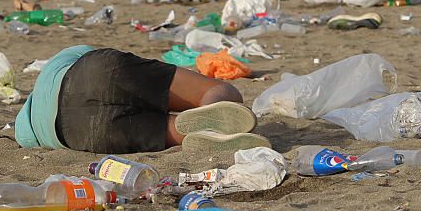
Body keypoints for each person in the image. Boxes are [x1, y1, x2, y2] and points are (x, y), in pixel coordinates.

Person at [15, 46, 269, 155]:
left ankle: (200, 133)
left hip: (79, 132)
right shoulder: (50, 70)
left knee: (175, 130)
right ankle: (212, 105)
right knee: (221, 91)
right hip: (95, 72)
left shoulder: (32, 133)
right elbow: (92, 55)